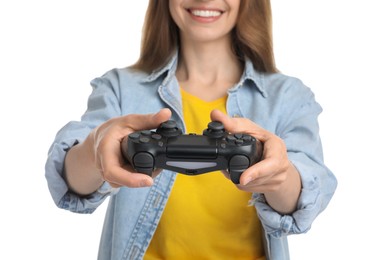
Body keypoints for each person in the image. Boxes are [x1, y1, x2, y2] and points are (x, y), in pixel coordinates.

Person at [45, 0, 337, 259]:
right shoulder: (121, 88)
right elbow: (70, 183)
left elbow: (305, 198)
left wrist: (280, 174)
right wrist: (97, 147)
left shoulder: (287, 97)